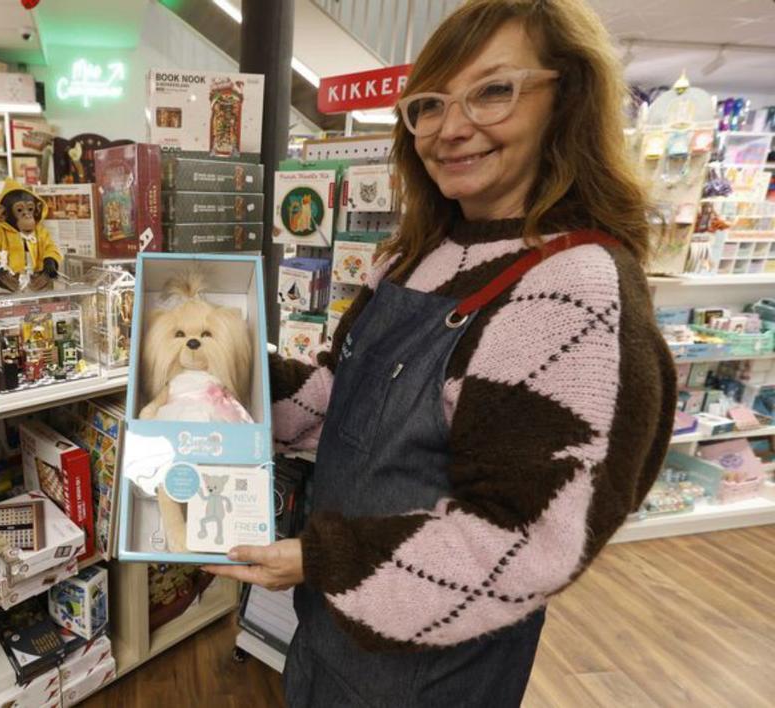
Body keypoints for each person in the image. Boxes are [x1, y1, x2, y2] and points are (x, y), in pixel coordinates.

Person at [206, 0, 677, 705]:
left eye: (494, 91)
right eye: (429, 105)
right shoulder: (414, 258)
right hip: (332, 630)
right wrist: (224, 371)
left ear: (569, 98)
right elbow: (333, 406)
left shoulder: (573, 290)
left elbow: (524, 539)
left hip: (431, 676)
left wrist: (321, 557)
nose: (451, 129)